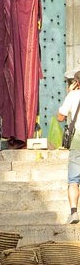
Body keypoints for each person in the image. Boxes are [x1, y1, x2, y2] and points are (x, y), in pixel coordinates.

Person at [57, 70, 80, 224]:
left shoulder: (73, 95)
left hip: (78, 141)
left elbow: (60, 117)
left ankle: (74, 213)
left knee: (73, 180)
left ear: (76, 82)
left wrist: (70, 92)